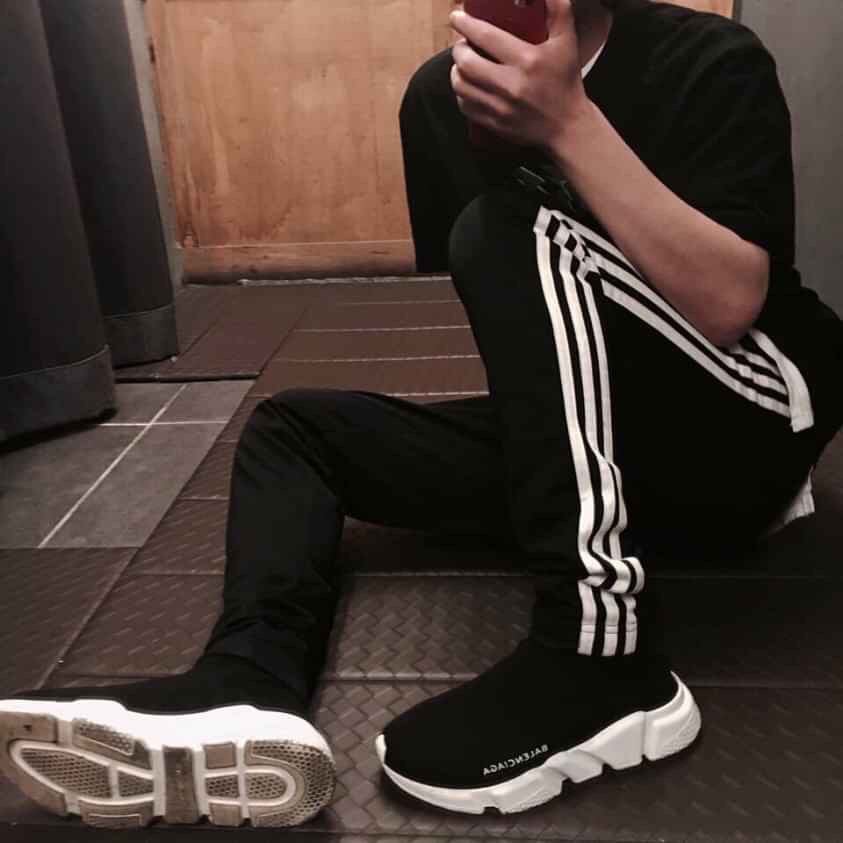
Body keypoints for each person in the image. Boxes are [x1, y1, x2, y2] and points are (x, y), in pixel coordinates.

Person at [1, 0, 842, 829]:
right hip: (609, 460)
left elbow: (730, 303)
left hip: (744, 430)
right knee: (296, 431)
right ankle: (246, 686)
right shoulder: (441, 97)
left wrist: (566, 121)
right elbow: (525, 332)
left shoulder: (707, 58)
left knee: (510, 226)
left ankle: (603, 661)